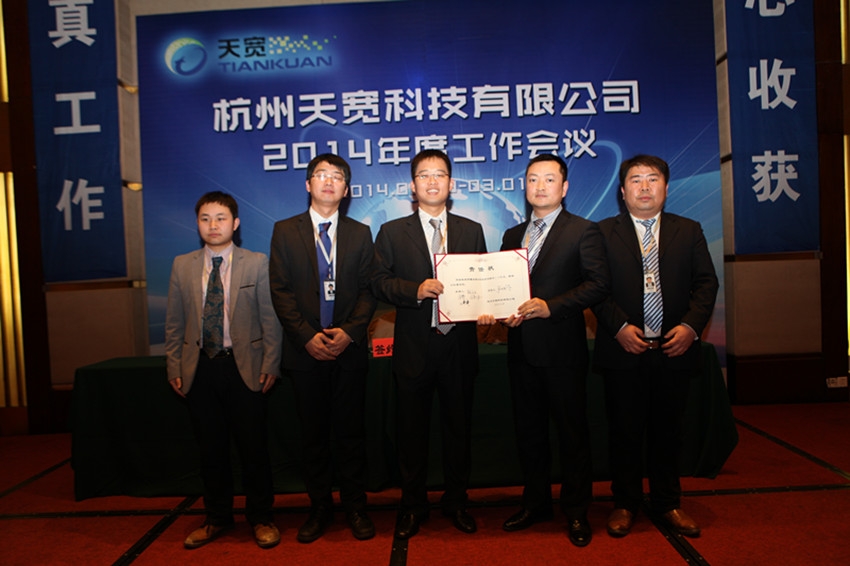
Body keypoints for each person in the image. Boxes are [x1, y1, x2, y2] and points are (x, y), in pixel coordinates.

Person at [479, 153, 609, 547]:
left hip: (562, 351)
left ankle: (576, 510)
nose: (540, 186)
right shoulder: (512, 234)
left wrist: (551, 306)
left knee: (572, 434)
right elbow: (503, 288)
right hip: (521, 352)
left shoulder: (583, 230)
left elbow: (598, 284)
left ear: (564, 188)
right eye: (533, 179)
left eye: (549, 179)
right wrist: (500, 312)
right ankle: (535, 504)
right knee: (529, 433)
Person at [592, 154, 718, 538]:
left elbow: (706, 284)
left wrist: (691, 328)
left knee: (669, 431)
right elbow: (595, 288)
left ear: (665, 187)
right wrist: (618, 327)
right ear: (622, 190)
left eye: (652, 179)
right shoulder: (602, 232)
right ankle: (625, 503)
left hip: (673, 348)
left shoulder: (688, 230)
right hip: (623, 349)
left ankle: (668, 503)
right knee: (624, 431)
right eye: (636, 180)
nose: (644, 187)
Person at [371, 149, 486, 539]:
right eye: (424, 175)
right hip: (414, 348)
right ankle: (412, 506)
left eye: (440, 174)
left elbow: (483, 281)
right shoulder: (392, 232)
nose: (433, 181)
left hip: (459, 347)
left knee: (458, 431)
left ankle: (457, 502)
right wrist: (414, 290)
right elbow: (378, 282)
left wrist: (488, 306)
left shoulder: (471, 230)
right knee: (411, 434)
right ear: (412, 185)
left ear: (451, 184)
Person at [268, 154, 377, 543]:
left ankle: (355, 506)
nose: (329, 182)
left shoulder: (360, 233)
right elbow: (280, 290)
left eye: (337, 177)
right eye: (321, 175)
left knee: (351, 435)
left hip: (348, 352)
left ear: (346, 190)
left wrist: (349, 332)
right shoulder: (285, 231)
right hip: (305, 353)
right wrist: (305, 336)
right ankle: (319, 508)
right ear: (308, 184)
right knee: (313, 437)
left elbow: (368, 290)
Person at [165, 191, 282, 550]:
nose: (213, 225)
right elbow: (174, 322)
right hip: (199, 369)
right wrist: (173, 365)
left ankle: (261, 518)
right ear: (197, 224)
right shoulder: (182, 265)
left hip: (245, 367)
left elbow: (270, 318)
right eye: (205, 219)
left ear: (235, 223)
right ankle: (216, 518)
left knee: (253, 449)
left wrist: (271, 363)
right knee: (210, 450)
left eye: (220, 218)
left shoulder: (256, 262)